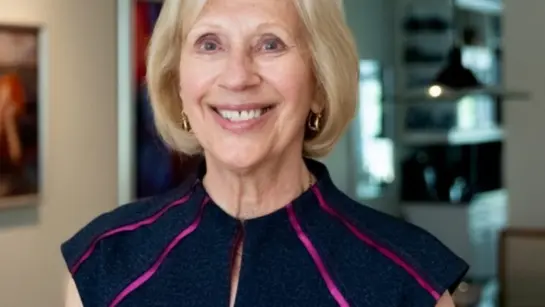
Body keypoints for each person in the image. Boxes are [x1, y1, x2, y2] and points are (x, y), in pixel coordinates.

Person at [61, 0, 468, 306]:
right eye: (209, 44)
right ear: (177, 82)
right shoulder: (102, 263)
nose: (238, 76)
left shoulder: (408, 282)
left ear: (320, 82)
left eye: (270, 44)